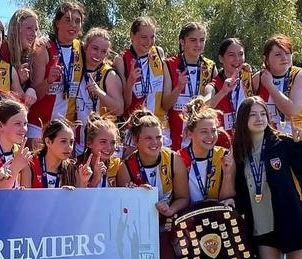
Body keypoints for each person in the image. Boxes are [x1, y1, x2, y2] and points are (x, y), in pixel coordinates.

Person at [229, 96, 302, 259]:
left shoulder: (283, 143)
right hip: (263, 228)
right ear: (242, 120)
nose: (259, 118)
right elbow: (240, 192)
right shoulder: (238, 153)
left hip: (294, 222)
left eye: (263, 113)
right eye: (253, 115)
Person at [116, 109, 189, 259]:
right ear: (136, 140)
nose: (155, 142)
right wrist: (136, 197)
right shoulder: (125, 168)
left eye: (158, 137)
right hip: (141, 231)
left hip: (170, 226)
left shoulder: (173, 159)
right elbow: (124, 214)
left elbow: (183, 197)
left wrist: (171, 210)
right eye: (148, 138)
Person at [28, 1, 85, 144]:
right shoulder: (43, 48)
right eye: (67, 20)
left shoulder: (82, 48)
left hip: (66, 128)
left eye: (77, 21)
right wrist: (49, 81)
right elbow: (34, 94)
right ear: (57, 23)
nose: (73, 25)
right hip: (40, 127)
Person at [112, 16, 170, 151]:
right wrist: (130, 82)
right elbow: (123, 105)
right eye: (144, 37)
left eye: (152, 37)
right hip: (134, 128)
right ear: (132, 35)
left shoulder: (158, 52)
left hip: (159, 126)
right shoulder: (121, 60)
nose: (149, 42)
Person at [164, 22, 217, 150]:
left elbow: (214, 103)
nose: (198, 45)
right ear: (183, 41)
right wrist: (178, 87)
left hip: (200, 134)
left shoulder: (210, 67)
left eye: (202, 40)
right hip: (175, 134)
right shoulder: (169, 64)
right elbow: (165, 105)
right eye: (193, 40)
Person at [75, 27, 123, 156]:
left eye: (103, 51)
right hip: (76, 141)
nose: (98, 54)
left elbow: (119, 109)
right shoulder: (74, 68)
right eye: (95, 49)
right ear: (85, 47)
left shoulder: (108, 74)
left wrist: (99, 92)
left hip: (103, 143)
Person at [177, 98, 235, 204]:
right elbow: (178, 198)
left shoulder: (223, 155)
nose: (210, 136)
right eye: (204, 132)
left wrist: (227, 174)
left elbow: (227, 199)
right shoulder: (179, 158)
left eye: (213, 131)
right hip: (189, 216)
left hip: (216, 215)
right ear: (190, 133)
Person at [253, 34, 302, 137]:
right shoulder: (259, 78)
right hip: (268, 137)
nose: (284, 58)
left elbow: (292, 111)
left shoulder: (300, 75)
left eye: (287, 53)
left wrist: (270, 86)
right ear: (266, 59)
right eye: (278, 54)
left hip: (296, 136)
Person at [23, 119, 93, 189]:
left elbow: (78, 199)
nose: (69, 147)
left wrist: (83, 182)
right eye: (63, 141)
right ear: (48, 142)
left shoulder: (71, 170)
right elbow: (25, 198)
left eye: (71, 142)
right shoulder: (30, 164)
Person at [204, 38, 252, 139]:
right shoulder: (213, 86)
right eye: (231, 55)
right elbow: (203, 109)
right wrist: (223, 92)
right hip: (221, 146)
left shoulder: (249, 80)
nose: (237, 59)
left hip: (247, 142)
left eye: (240, 54)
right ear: (221, 58)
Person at [76, 113, 122, 188]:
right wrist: (96, 179)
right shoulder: (79, 165)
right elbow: (81, 198)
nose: (109, 147)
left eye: (113, 142)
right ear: (89, 143)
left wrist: (135, 188)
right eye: (103, 142)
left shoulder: (117, 165)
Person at [2, 8, 39, 89]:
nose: (34, 34)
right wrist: (17, 79)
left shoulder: (31, 54)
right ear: (16, 29)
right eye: (29, 28)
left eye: (36, 29)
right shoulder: (2, 49)